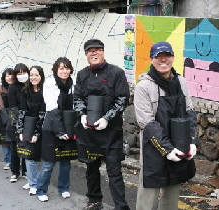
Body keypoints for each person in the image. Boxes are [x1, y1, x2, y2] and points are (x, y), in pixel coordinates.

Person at [134, 41, 198, 210]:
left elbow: (190, 112)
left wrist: (192, 141)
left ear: (173, 58)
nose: (163, 60)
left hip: (179, 147)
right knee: (147, 201)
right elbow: (147, 123)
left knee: (171, 200)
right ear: (151, 60)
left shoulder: (181, 82)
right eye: (158, 57)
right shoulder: (144, 87)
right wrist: (167, 149)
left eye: (167, 56)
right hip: (153, 150)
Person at [74, 39, 130, 210]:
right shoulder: (82, 74)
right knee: (91, 169)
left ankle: (121, 206)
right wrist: (82, 114)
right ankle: (94, 199)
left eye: (98, 50)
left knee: (114, 171)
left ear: (103, 52)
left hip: (111, 132)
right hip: (88, 132)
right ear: (86, 55)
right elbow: (77, 98)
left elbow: (122, 99)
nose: (94, 53)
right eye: (90, 51)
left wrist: (107, 118)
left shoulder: (116, 73)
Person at [36, 57, 78, 202]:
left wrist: (72, 129)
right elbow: (52, 109)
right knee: (49, 162)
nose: (64, 71)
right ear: (56, 70)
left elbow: (75, 106)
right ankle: (41, 189)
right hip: (52, 127)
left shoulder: (73, 84)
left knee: (66, 161)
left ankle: (64, 188)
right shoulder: (50, 83)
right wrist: (60, 132)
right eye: (61, 68)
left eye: (67, 68)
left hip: (68, 126)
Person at [16, 66, 46, 196]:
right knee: (29, 156)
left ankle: (35, 179)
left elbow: (43, 113)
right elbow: (21, 111)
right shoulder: (25, 91)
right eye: (32, 75)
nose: (34, 77)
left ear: (41, 76)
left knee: (42, 157)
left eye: (37, 75)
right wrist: (21, 130)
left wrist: (37, 133)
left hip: (42, 126)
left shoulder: (46, 91)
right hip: (28, 125)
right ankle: (33, 183)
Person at [7, 63, 28, 182]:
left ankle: (25, 170)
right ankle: (15, 172)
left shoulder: (31, 86)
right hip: (16, 121)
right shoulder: (13, 87)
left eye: (24, 73)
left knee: (26, 146)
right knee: (15, 148)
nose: (22, 75)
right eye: (19, 73)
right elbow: (13, 107)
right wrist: (19, 123)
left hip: (29, 120)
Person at [0, 68, 13, 170]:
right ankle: (8, 160)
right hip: (3, 116)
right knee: (4, 140)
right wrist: (7, 118)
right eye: (7, 75)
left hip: (15, 115)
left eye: (11, 75)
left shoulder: (17, 87)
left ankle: (15, 160)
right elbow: (0, 104)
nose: (9, 77)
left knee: (14, 140)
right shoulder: (0, 88)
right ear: (4, 77)